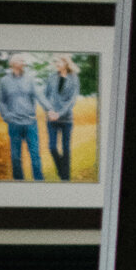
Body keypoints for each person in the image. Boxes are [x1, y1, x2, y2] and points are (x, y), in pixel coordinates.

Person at [0, 53, 43, 182]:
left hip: (30, 122)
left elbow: (38, 95)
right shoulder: (4, 81)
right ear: (14, 64)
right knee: (15, 157)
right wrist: (6, 116)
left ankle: (40, 183)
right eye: (21, 60)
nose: (24, 62)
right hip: (14, 123)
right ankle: (19, 182)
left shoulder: (30, 79)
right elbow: (2, 101)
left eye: (24, 60)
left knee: (35, 155)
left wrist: (50, 109)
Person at [42, 53, 80, 183]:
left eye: (59, 62)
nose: (57, 64)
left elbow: (72, 100)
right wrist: (49, 111)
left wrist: (60, 113)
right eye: (56, 62)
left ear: (66, 63)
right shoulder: (51, 77)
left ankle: (66, 178)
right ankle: (61, 170)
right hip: (51, 119)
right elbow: (45, 96)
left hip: (66, 119)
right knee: (52, 147)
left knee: (66, 149)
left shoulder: (74, 78)